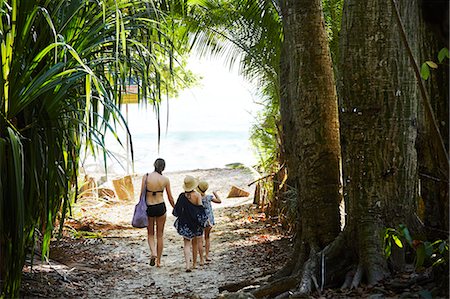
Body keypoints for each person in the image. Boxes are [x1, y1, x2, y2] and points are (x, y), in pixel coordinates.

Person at [140, 158, 175, 267]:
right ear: (163, 167)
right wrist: (176, 208)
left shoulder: (146, 176)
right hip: (161, 206)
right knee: (160, 235)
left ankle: (153, 253)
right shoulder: (165, 179)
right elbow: (170, 197)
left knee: (150, 233)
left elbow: (142, 194)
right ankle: (159, 262)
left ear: (154, 165)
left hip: (149, 206)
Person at [173, 175, 208, 272]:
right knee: (197, 242)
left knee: (186, 244)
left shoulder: (181, 196)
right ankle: (196, 263)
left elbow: (177, 211)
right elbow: (201, 210)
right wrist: (205, 221)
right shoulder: (197, 195)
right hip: (196, 223)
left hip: (185, 222)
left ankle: (188, 265)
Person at [197, 180, 221, 262]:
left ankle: (200, 258)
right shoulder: (209, 197)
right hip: (209, 220)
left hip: (201, 220)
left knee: (200, 239)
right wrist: (215, 193)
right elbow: (219, 201)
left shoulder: (197, 198)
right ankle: (207, 256)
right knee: (207, 237)